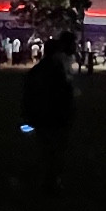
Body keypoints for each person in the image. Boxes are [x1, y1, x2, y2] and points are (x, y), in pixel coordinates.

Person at [21, 32, 78, 194]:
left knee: (47, 150)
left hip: (43, 115)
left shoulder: (38, 70)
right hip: (54, 116)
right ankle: (51, 182)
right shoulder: (57, 69)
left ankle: (47, 180)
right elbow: (64, 93)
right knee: (55, 151)